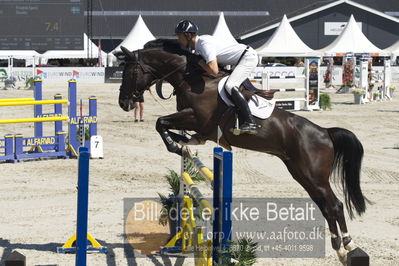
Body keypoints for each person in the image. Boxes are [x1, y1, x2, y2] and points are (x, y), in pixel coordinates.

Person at [175, 19, 258, 135]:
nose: (178, 39)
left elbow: (214, 70)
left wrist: (199, 62)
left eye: (179, 36)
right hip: (236, 60)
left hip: (247, 57)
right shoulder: (198, 47)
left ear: (188, 35)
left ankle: (250, 122)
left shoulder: (203, 44)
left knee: (230, 85)